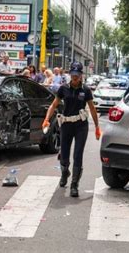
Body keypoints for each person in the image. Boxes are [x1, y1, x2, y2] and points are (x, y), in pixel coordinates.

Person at [42, 62, 101, 197]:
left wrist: (97, 126)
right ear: (70, 75)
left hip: (81, 125)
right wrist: (46, 119)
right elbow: (54, 105)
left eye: (77, 75)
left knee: (78, 154)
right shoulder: (63, 89)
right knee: (64, 153)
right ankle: (64, 173)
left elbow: (92, 108)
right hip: (66, 124)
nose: (75, 77)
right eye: (73, 74)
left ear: (81, 75)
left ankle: (74, 184)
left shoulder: (85, 90)